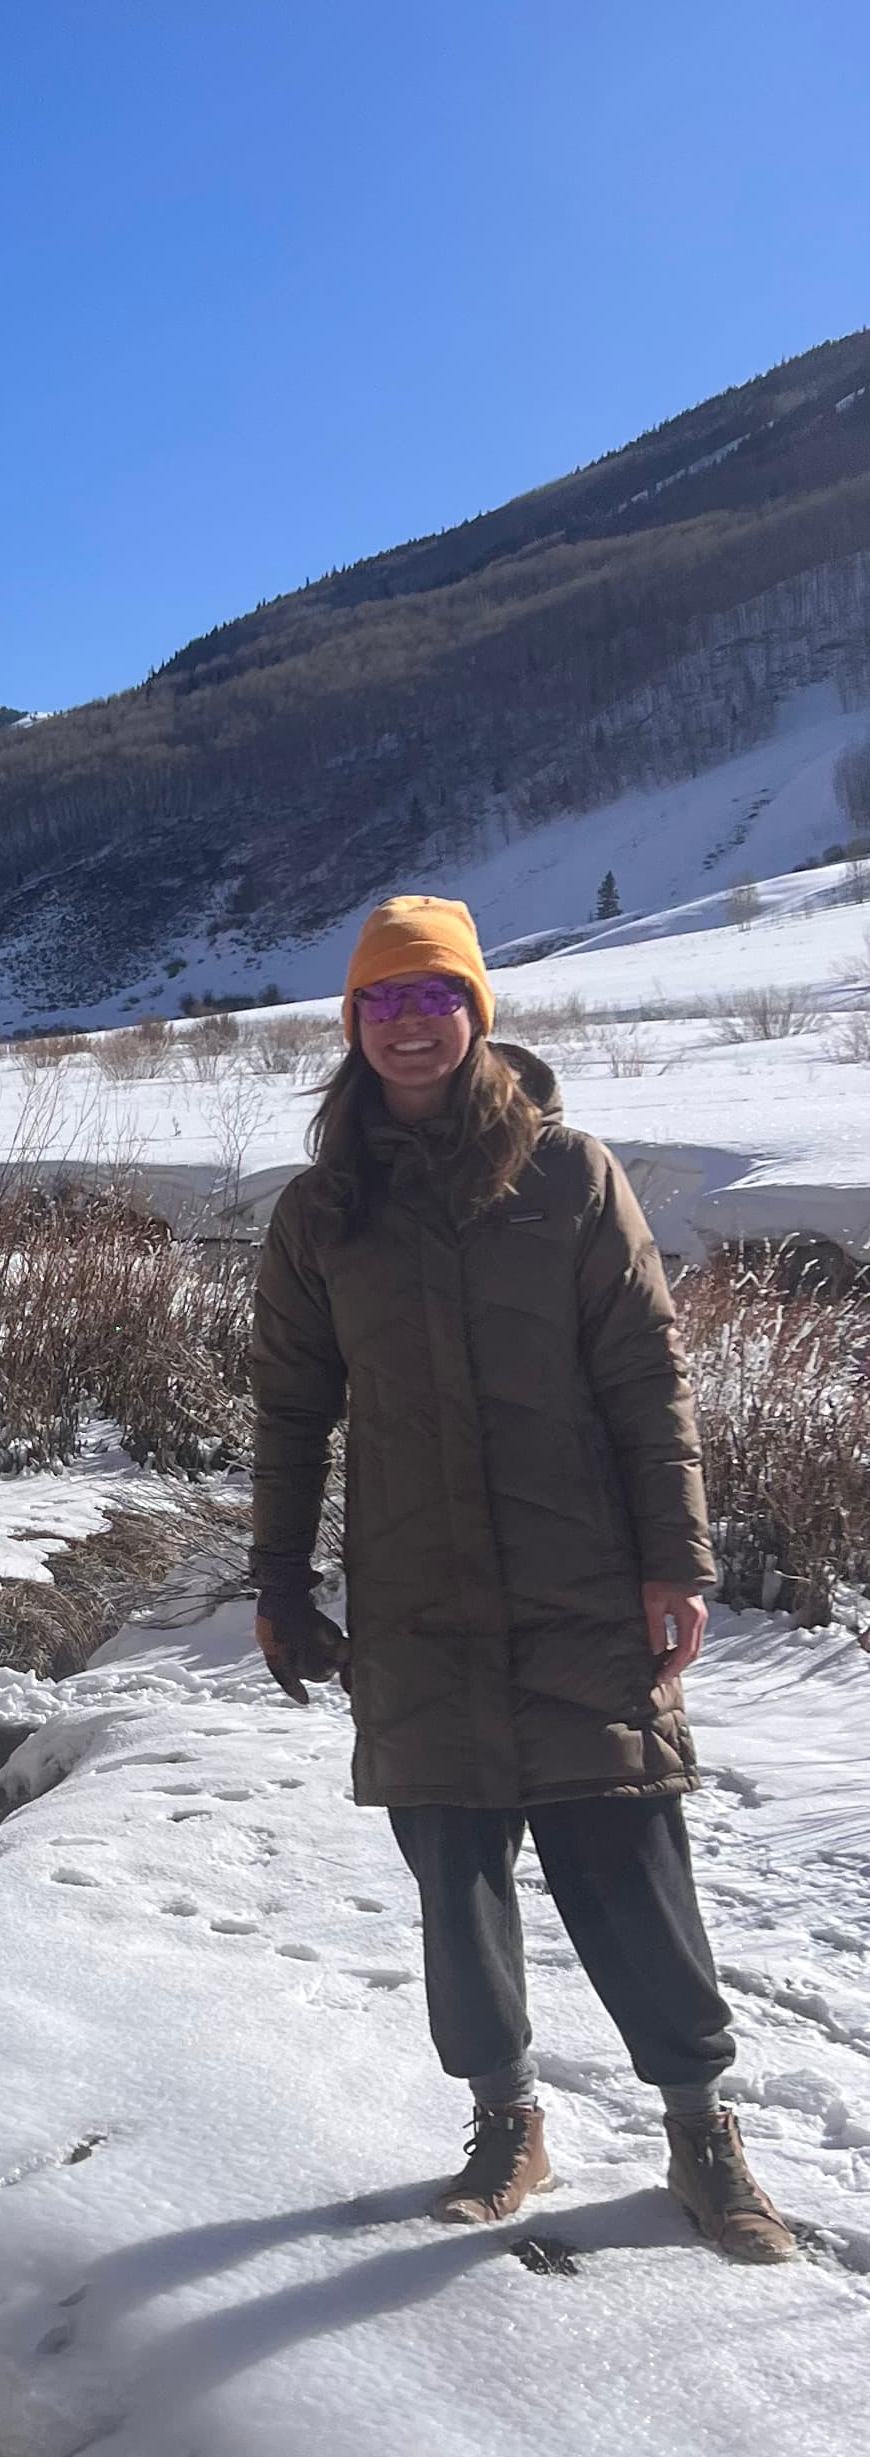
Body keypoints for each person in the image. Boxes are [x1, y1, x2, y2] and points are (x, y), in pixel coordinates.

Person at [247, 893, 794, 2264]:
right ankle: (506, 2128)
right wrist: (280, 1582)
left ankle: (702, 2135)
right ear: (353, 1024)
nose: (411, 1024)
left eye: (436, 997)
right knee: (457, 1878)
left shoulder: (569, 1176)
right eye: (384, 1000)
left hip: (581, 1583)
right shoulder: (325, 1210)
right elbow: (291, 1410)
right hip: (416, 1597)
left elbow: (648, 1376)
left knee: (629, 1863)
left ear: (476, 1014)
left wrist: (675, 1559)